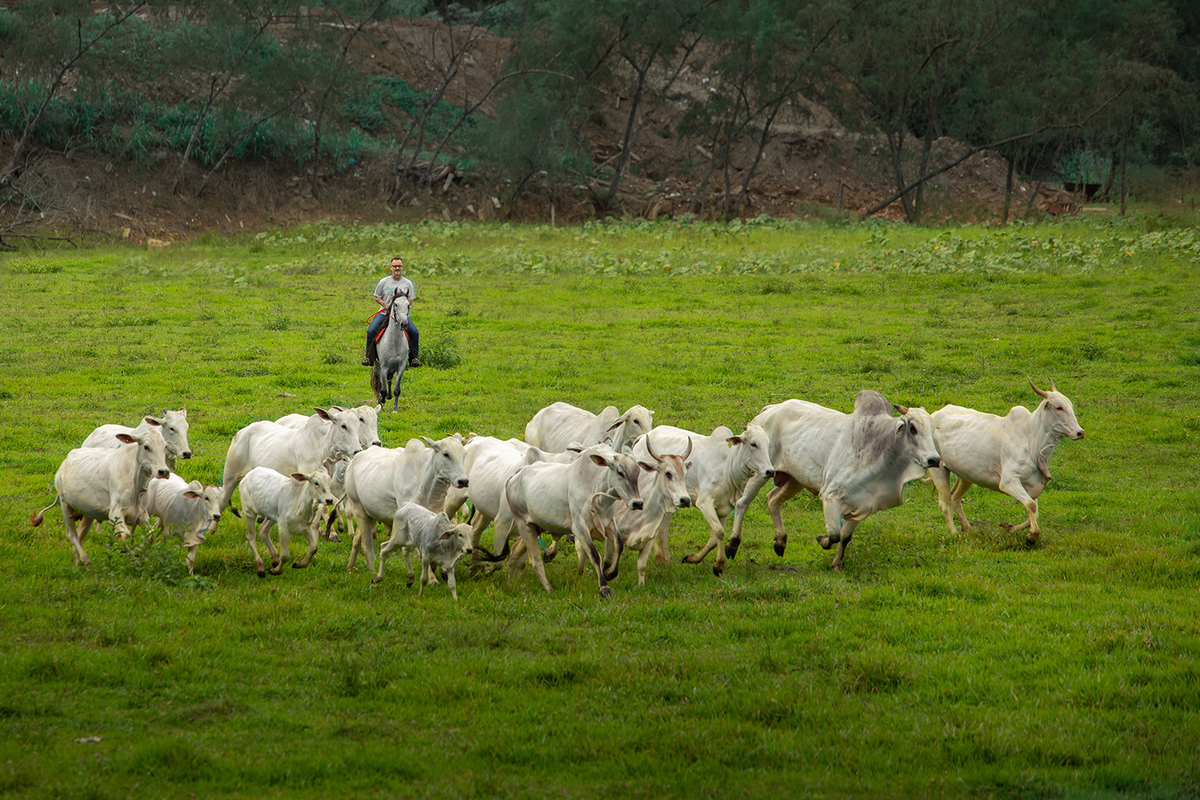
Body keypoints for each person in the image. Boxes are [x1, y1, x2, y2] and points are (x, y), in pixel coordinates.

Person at [363, 255, 421, 368]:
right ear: (391, 267)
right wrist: (386, 305)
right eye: (395, 266)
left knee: (414, 332)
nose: (397, 268)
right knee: (371, 330)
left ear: (402, 267)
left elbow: (411, 299)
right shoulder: (384, 282)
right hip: (384, 313)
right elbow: (376, 297)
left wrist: (401, 308)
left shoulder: (408, 283)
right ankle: (368, 357)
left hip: (400, 315)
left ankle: (414, 358)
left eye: (399, 266)